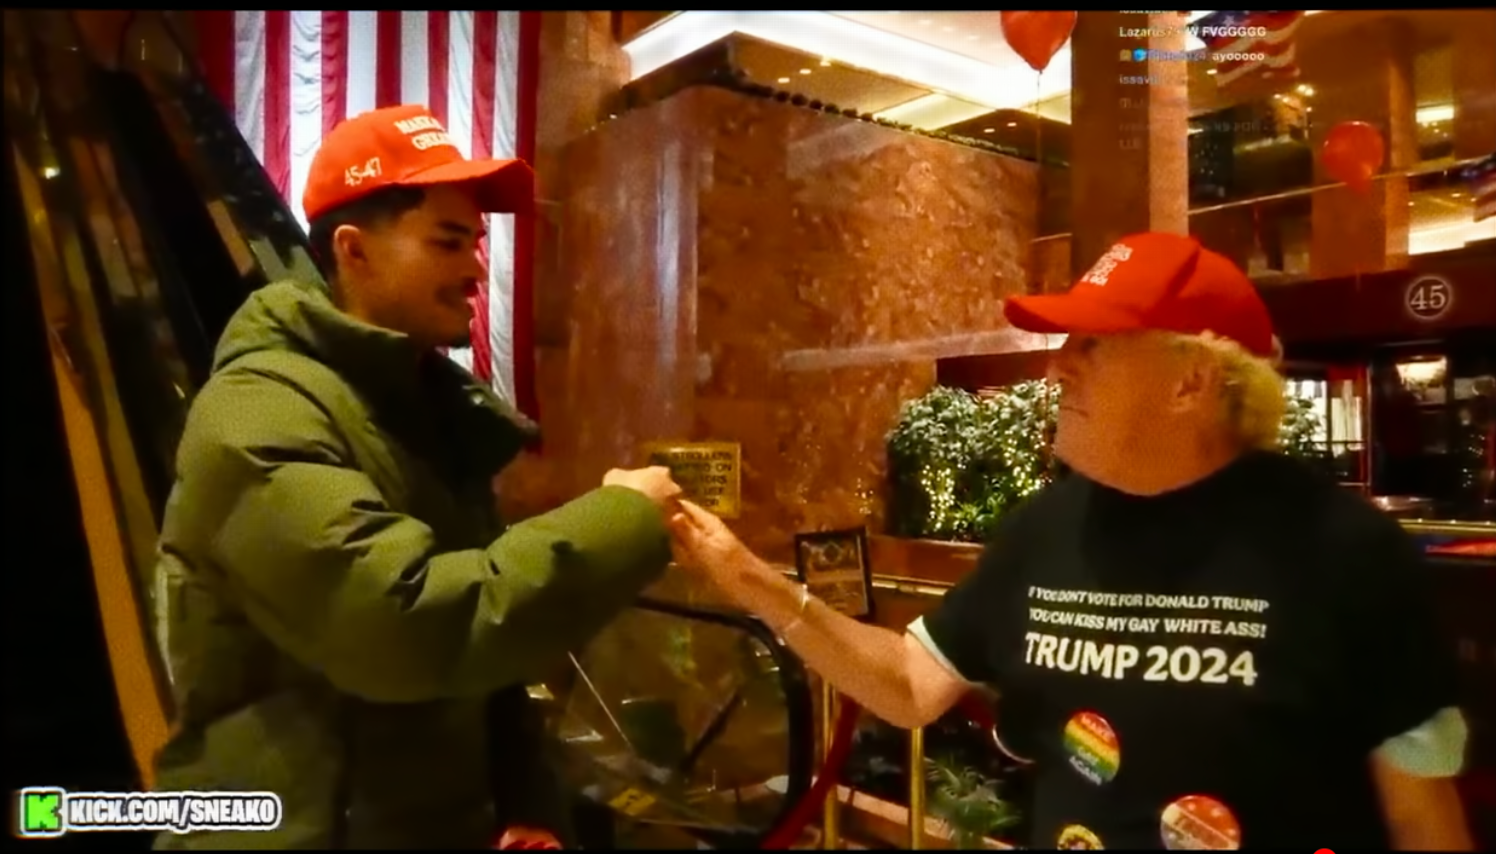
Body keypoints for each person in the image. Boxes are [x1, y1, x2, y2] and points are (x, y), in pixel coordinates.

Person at [668, 232, 1476, 850]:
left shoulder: (1347, 552)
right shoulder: (1041, 529)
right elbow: (912, 685)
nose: (1058, 369)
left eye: (1092, 345)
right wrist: (748, 580)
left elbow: (1422, 814)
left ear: (1190, 381)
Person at [149, 103, 682, 849]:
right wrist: (621, 516)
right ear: (354, 250)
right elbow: (404, 628)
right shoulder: (257, 413)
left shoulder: (413, 410)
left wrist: (526, 804)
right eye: (448, 241)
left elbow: (486, 669)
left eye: (476, 241)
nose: (474, 268)